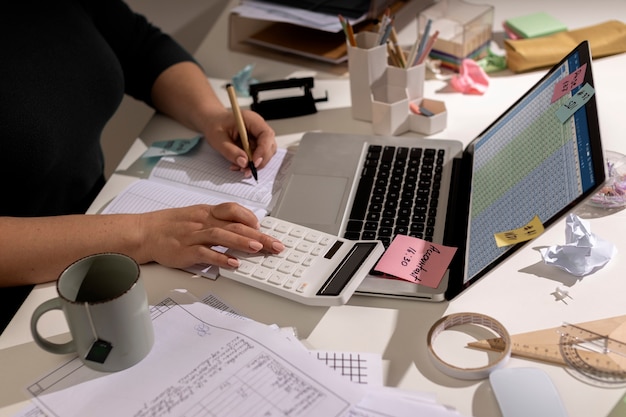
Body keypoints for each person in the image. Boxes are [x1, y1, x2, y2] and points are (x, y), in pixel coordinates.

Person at [0, 0, 285, 332]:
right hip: (23, 308)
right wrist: (144, 234)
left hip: (98, 220)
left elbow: (141, 48)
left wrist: (212, 115)